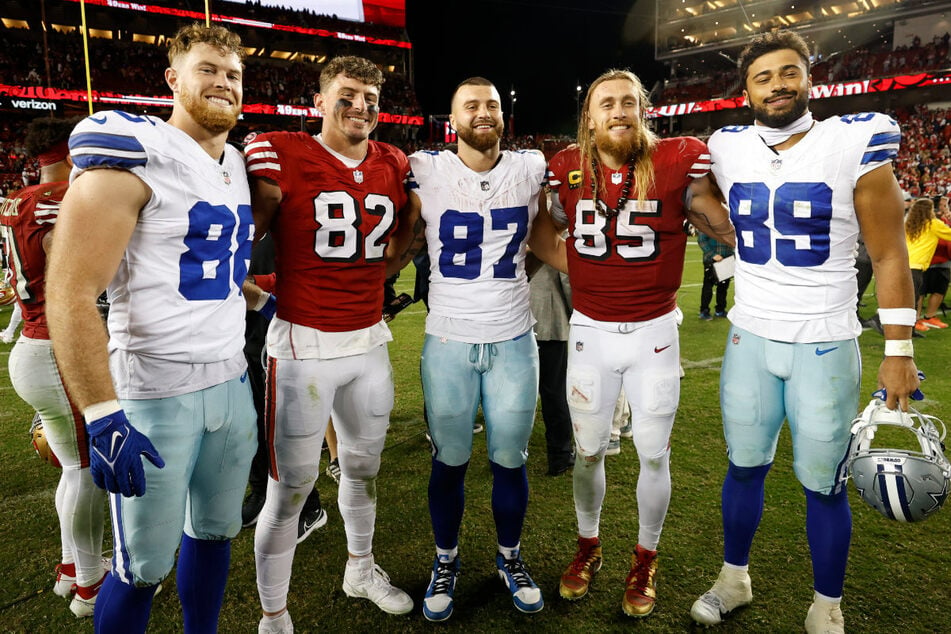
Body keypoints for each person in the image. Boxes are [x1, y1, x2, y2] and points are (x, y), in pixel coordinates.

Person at [689, 30, 920, 634]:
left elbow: (891, 255)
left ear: (808, 79)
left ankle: (827, 607)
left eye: (789, 73)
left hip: (824, 339)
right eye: (763, 78)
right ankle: (733, 578)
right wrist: (726, 250)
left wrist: (899, 351)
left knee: (824, 484)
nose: (777, 86)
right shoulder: (727, 146)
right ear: (746, 91)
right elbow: (699, 199)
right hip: (750, 336)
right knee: (743, 465)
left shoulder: (854, 141)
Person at [46, 24, 260, 633]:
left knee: (217, 534)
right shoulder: (136, 147)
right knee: (141, 566)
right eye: (207, 70)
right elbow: (70, 291)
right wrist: (102, 413)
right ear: (173, 79)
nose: (223, 82)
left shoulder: (236, 162)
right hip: (154, 395)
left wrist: (254, 300)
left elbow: (203, 262)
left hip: (230, 382)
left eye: (233, 74)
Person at [547, 68, 734, 618]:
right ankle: (588, 545)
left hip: (654, 331)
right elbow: (543, 229)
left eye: (629, 102)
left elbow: (723, 224)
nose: (619, 111)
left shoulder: (679, 159)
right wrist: (579, 270)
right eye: (607, 102)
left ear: (642, 109)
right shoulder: (564, 168)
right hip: (589, 331)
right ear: (590, 115)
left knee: (653, 453)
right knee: (587, 451)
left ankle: (645, 556)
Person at [244, 55, 415, 633]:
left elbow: (403, 240)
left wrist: (380, 278)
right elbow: (241, 242)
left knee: (363, 471)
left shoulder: (393, 161)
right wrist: (264, 291)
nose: (360, 105)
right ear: (318, 101)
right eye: (347, 94)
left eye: (370, 96)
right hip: (302, 348)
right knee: (290, 488)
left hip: (368, 340)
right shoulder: (281, 151)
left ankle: (360, 570)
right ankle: (274, 614)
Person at [391, 76, 566, 622]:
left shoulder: (531, 167)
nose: (484, 112)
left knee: (510, 460)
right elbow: (398, 233)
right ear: (453, 119)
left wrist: (519, 274)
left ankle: (509, 558)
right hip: (448, 340)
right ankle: (447, 560)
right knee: (450, 461)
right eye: (472, 105)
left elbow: (541, 238)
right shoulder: (425, 168)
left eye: (492, 103)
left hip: (514, 338)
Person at [1, 115, 108, 618]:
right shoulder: (62, 201)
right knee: (86, 471)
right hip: (57, 350)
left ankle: (71, 567)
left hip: (29, 344)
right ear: (71, 150)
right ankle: (90, 586)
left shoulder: (16, 201)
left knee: (72, 469)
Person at [240, 234, 328, 542]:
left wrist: (258, 284)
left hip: (283, 336)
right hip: (240, 336)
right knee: (251, 424)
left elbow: (311, 270)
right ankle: (260, 492)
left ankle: (308, 505)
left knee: (283, 426)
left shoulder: (284, 216)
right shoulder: (236, 217)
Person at [529, 263, 574, 476]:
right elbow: (567, 279)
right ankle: (560, 456)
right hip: (547, 318)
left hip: (513, 318)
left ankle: (506, 454)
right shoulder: (552, 231)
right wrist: (576, 313)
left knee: (512, 393)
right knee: (554, 392)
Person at [906, 196, 951, 331]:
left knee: (911, 297)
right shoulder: (932, 223)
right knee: (913, 297)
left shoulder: (909, 223)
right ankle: (909, 327)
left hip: (905, 263)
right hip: (917, 265)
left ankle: (912, 327)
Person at [698, 231, 734, 320]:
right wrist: (713, 255)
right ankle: (704, 310)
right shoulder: (707, 222)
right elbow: (701, 240)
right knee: (708, 286)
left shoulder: (729, 222)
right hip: (711, 260)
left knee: (723, 287)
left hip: (727, 258)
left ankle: (720, 309)